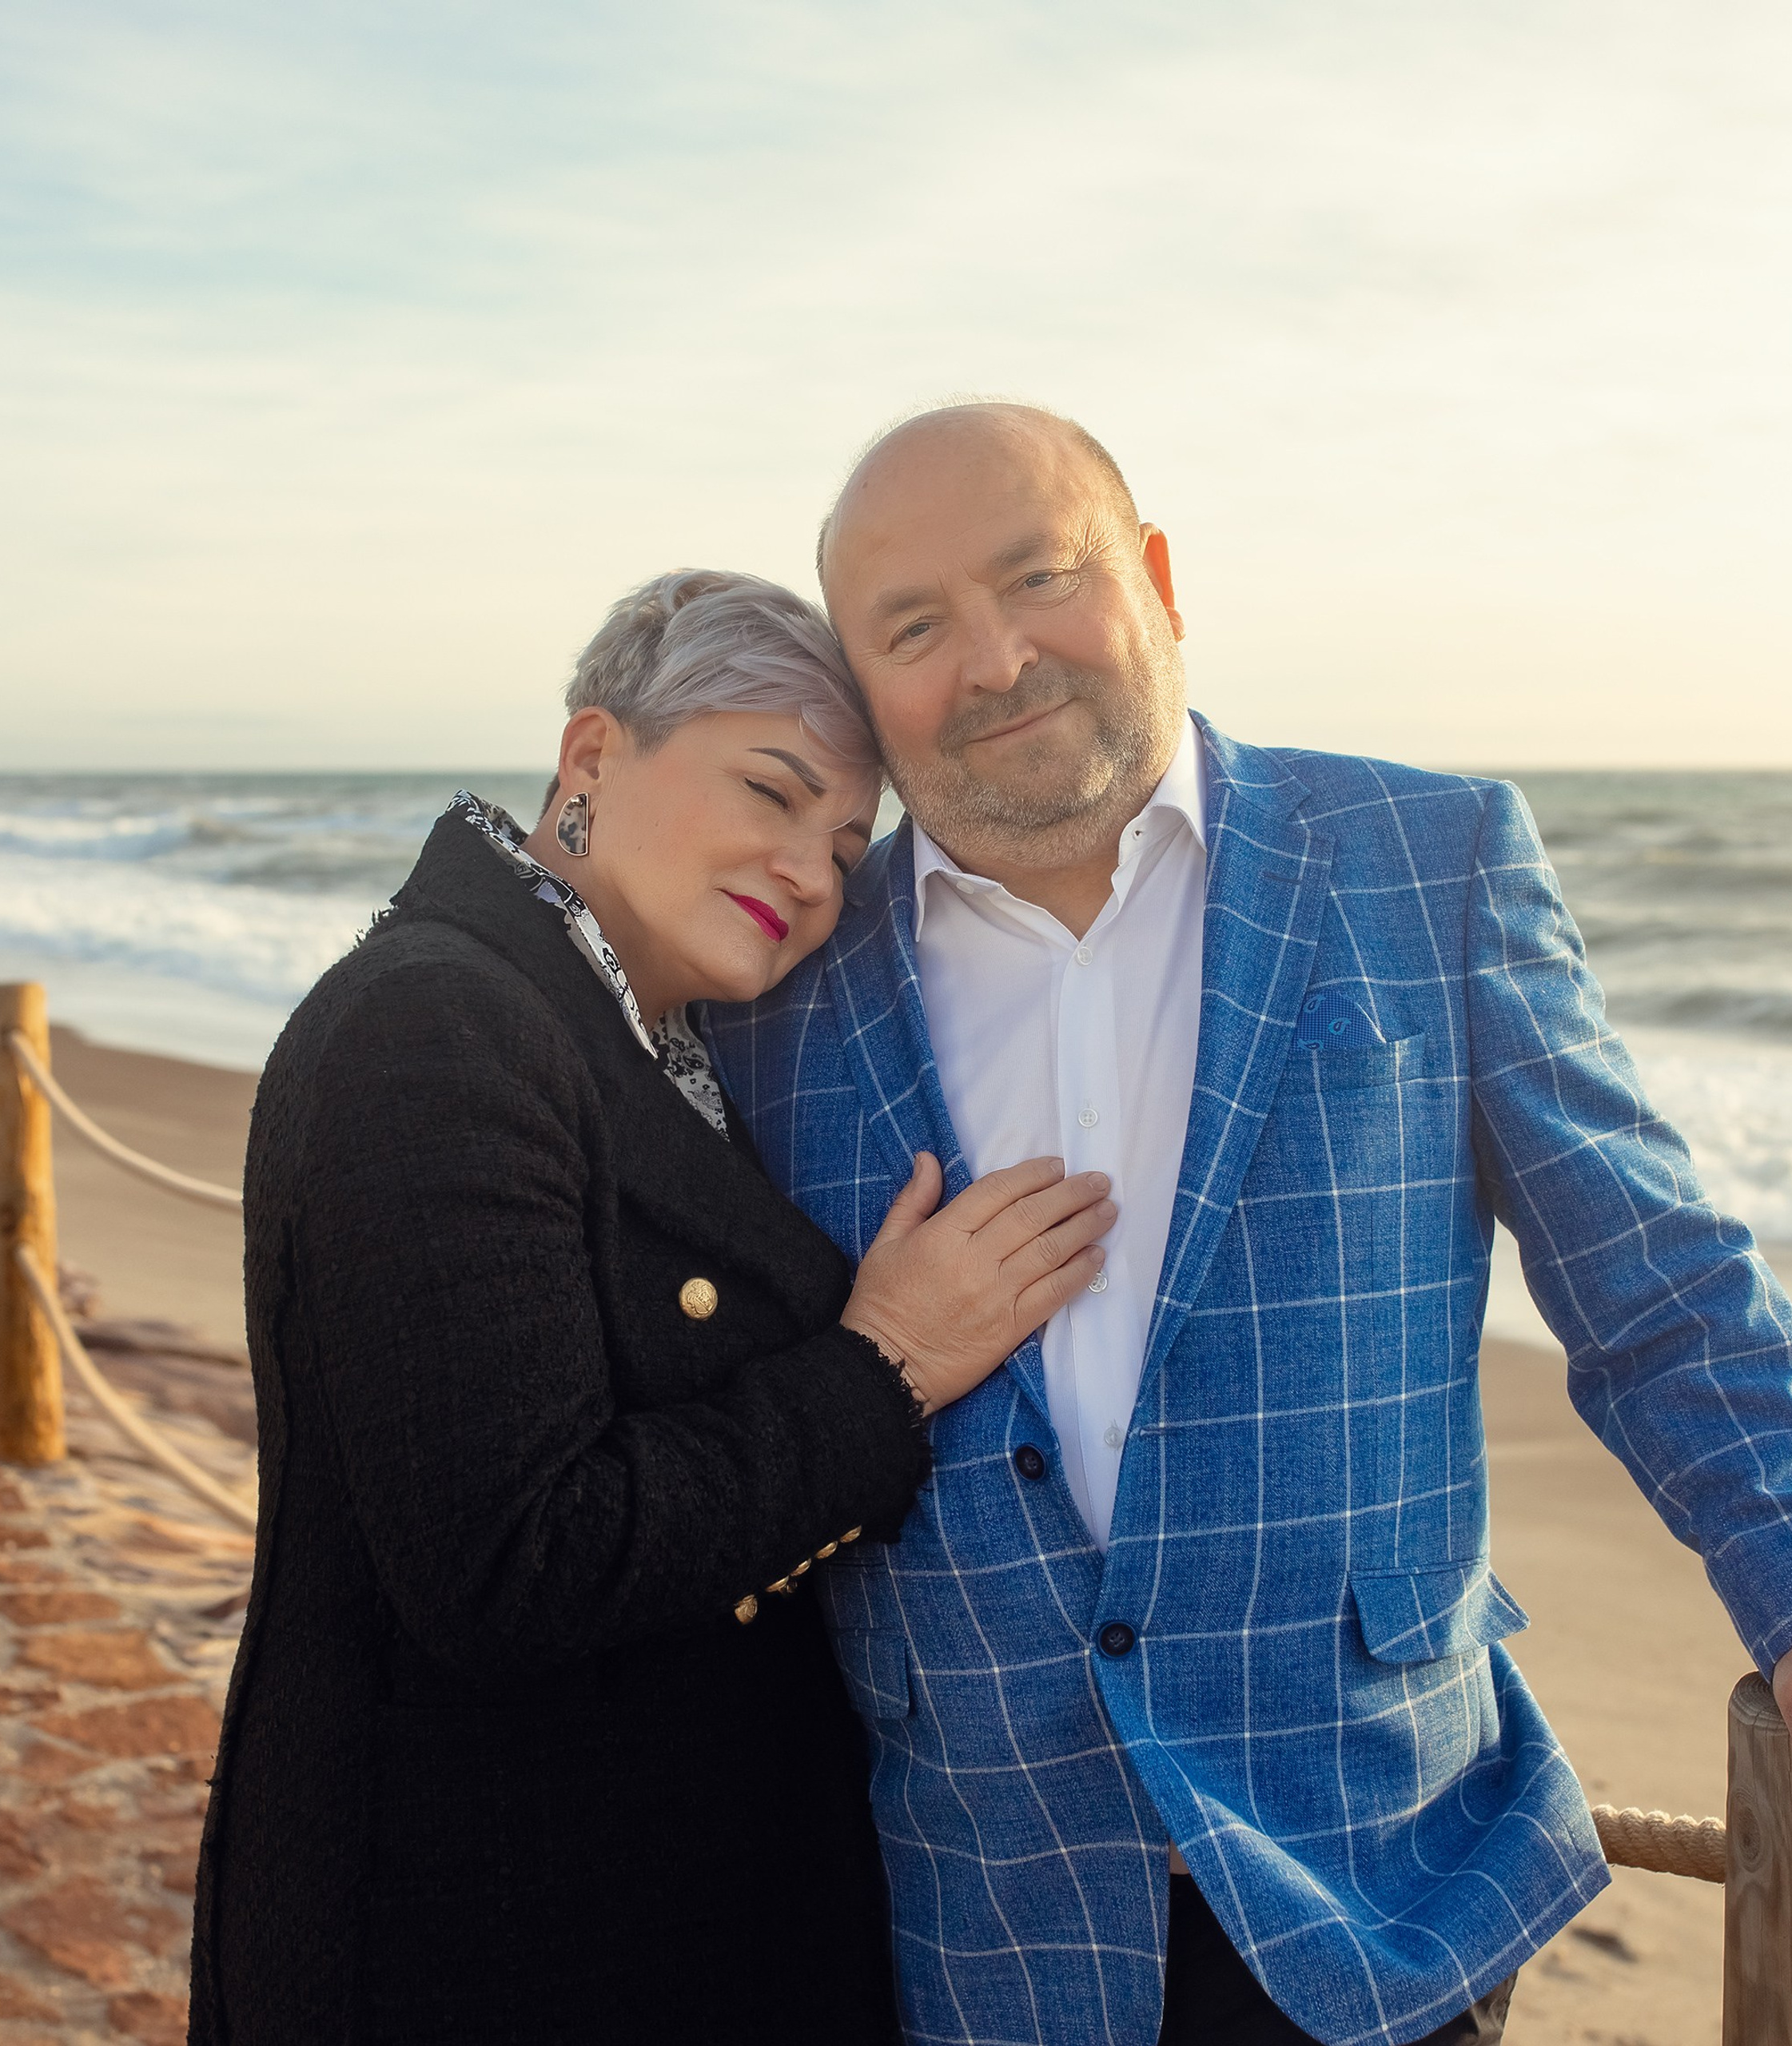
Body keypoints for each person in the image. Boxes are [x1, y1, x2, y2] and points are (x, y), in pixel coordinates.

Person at [699, 404, 1792, 2046]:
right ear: (864, 681)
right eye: (914, 627)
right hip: (976, 1898)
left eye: (1036, 578)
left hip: (1376, 1863)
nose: (992, 661)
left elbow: (1647, 1277)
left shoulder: (1424, 862)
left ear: (1150, 576)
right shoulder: (783, 978)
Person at [188, 567, 1119, 2044]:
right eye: (772, 788)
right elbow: (512, 1561)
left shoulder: (659, 1046)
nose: (814, 871)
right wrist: (888, 1364)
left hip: (640, 1915)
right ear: (595, 758)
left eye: (844, 841)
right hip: (478, 1944)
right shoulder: (435, 1028)